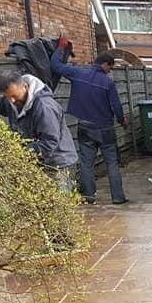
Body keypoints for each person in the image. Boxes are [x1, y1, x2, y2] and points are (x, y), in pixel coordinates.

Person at [51, 40, 129, 205]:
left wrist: (60, 48)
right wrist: (122, 121)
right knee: (112, 163)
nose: (110, 72)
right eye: (111, 68)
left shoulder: (77, 73)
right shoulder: (107, 82)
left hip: (85, 126)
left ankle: (89, 196)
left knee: (86, 162)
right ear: (105, 65)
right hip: (105, 128)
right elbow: (116, 105)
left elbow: (56, 66)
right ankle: (118, 197)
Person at [0, 71, 78, 193]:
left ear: (25, 87)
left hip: (58, 163)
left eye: (14, 96)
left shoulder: (45, 108)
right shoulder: (15, 98)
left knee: (56, 206)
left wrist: (19, 150)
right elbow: (5, 106)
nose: (11, 101)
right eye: (7, 97)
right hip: (38, 162)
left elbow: (49, 143)